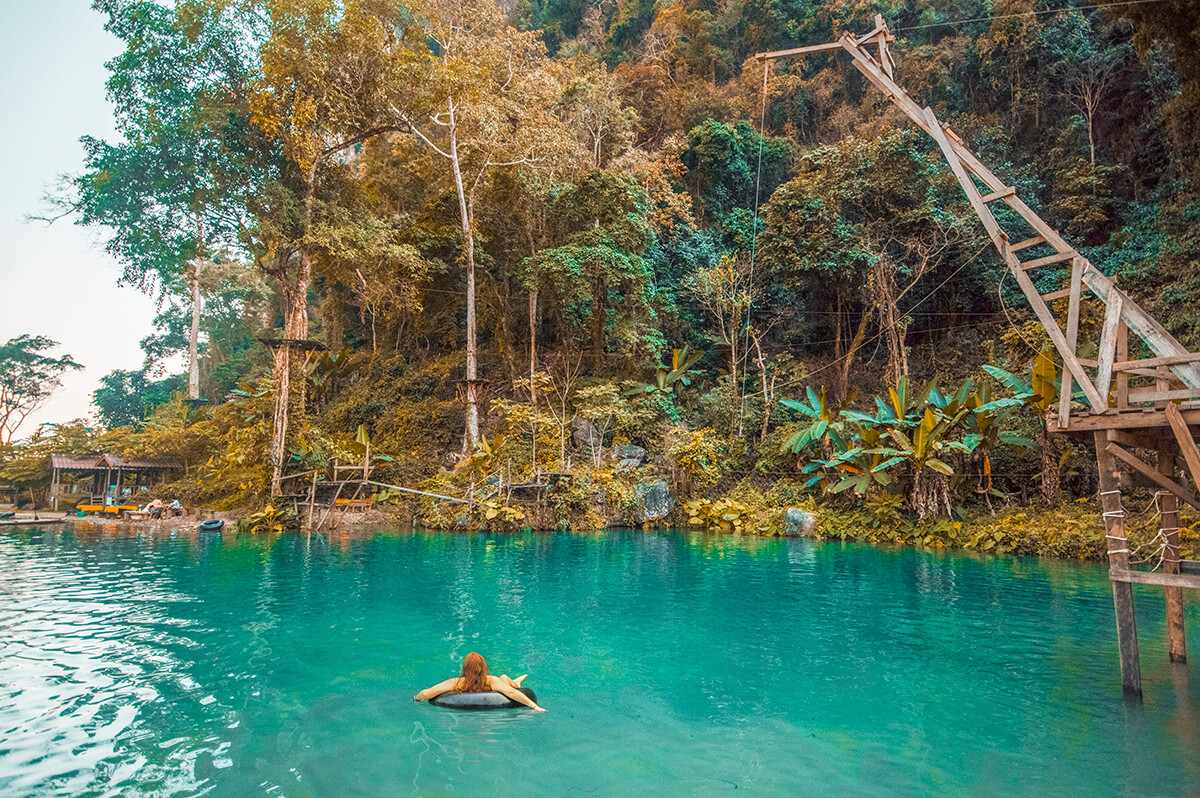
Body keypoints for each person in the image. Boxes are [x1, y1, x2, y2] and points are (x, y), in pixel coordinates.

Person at [414, 652, 546, 712]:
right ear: (484, 668)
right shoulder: (490, 681)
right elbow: (427, 694)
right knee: (503, 678)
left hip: (504, 684)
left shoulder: (457, 683)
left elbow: (511, 692)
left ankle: (516, 683)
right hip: (497, 685)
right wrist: (535, 707)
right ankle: (515, 682)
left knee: (504, 679)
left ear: (465, 668)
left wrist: (416, 698)